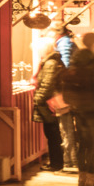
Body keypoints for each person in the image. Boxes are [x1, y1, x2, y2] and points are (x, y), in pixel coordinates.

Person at [60, 32, 94, 183]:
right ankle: (91, 175)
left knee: (83, 142)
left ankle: (82, 175)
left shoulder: (76, 60)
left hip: (79, 106)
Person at [30, 29, 70, 174]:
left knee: (53, 134)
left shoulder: (50, 63)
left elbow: (47, 85)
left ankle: (56, 163)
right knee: (54, 134)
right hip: (50, 104)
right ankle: (56, 162)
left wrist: (37, 99)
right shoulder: (53, 61)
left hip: (49, 105)